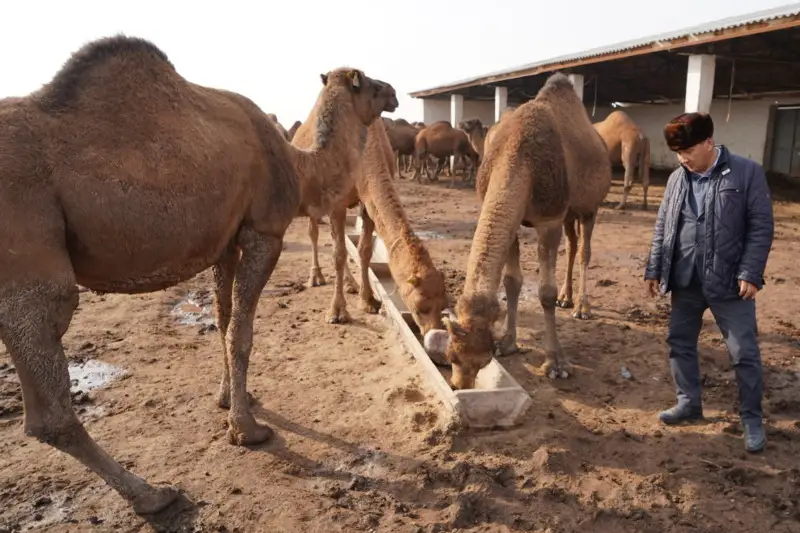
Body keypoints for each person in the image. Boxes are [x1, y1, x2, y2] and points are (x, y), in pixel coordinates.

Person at [643, 111, 774, 453]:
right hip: (686, 278)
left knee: (744, 352)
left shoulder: (747, 173)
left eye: (687, 150)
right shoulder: (676, 178)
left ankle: (751, 419)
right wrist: (655, 268)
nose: (681, 158)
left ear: (708, 143)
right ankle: (689, 404)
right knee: (680, 342)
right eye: (677, 152)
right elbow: (663, 226)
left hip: (730, 282)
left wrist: (750, 271)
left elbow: (761, 227)